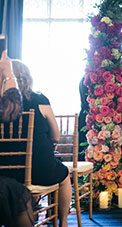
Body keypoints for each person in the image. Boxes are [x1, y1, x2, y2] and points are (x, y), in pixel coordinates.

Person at [11, 60, 72, 227]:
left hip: (6, 173)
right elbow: (56, 137)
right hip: (39, 169)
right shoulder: (39, 99)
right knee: (64, 174)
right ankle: (63, 223)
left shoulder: (3, 104)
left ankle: (30, 213)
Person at [0, 48, 34, 227]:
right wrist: (7, 73)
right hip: (18, 171)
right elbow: (11, 111)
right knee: (15, 193)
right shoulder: (39, 99)